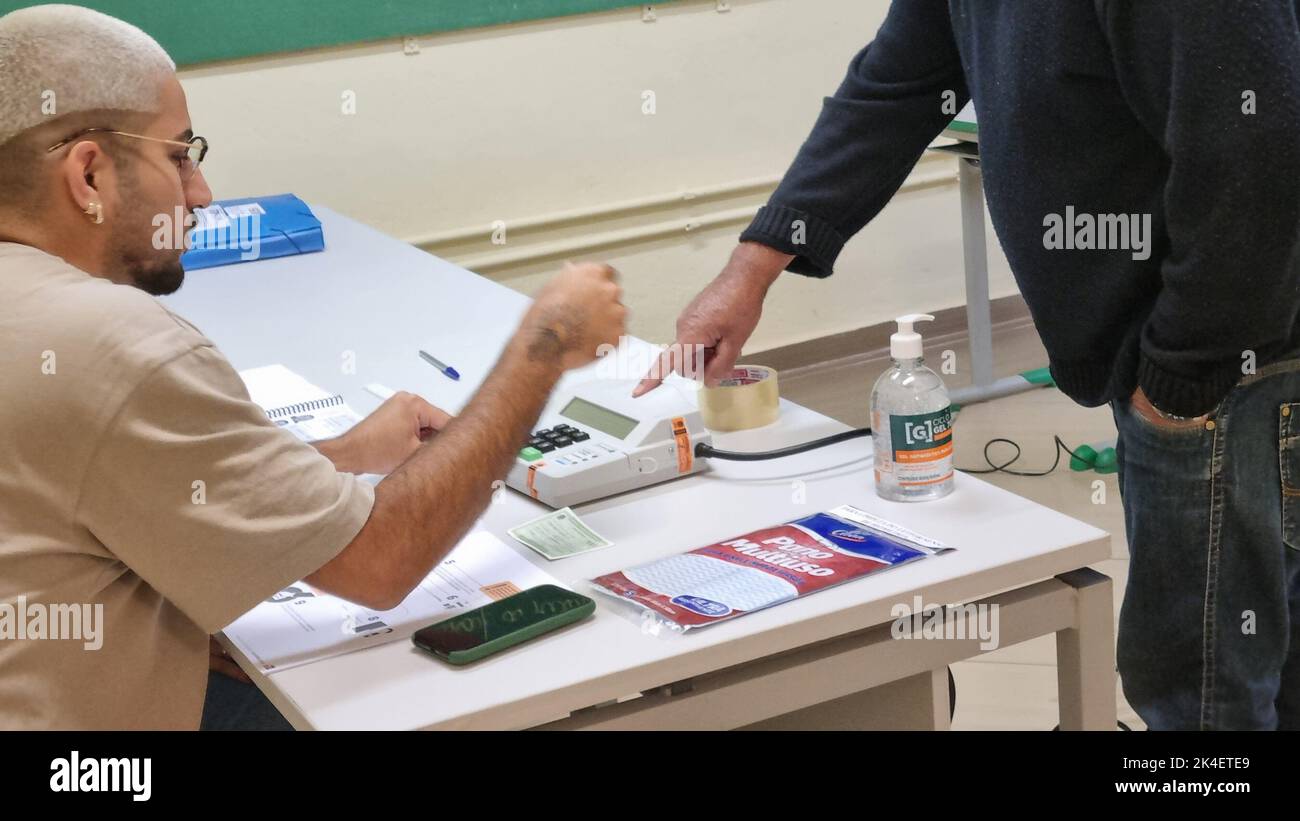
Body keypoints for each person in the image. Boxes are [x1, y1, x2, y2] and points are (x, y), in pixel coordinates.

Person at [637, 0, 1300, 730]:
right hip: (1187, 349)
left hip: (1239, 355)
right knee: (1223, 660)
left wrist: (1178, 381)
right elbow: (898, 86)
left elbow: (1261, 152)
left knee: (1203, 691)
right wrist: (752, 266)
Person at [0, 4, 626, 729]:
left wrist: (339, 456)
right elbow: (381, 561)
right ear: (88, 174)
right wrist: (543, 346)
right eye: (178, 154)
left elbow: (72, 485)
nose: (200, 193)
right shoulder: (115, 346)